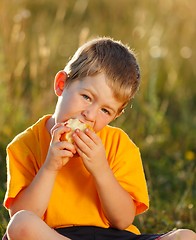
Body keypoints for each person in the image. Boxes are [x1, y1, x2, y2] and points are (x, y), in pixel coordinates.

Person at [2, 37, 195, 240]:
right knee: (21, 225)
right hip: (55, 235)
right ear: (61, 84)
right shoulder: (24, 145)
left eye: (105, 110)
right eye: (86, 97)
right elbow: (20, 215)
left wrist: (101, 169)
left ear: (116, 115)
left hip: (111, 236)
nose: (91, 116)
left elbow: (123, 220)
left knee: (186, 236)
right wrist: (50, 167)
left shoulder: (120, 145)